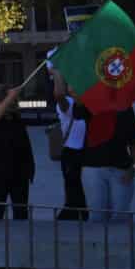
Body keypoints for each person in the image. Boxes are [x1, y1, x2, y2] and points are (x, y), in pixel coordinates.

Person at [76, 103, 135, 224]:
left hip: (121, 170)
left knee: (120, 215)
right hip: (93, 168)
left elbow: (133, 142)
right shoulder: (88, 106)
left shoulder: (124, 108)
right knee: (96, 216)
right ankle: (97, 242)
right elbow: (67, 102)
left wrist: (134, 167)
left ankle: (119, 242)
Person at [0, 84, 33, 219]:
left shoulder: (16, 118)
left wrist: (30, 169)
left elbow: (25, 145)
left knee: (21, 211)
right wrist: (9, 97)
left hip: (19, 172)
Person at [53, 73, 89, 221]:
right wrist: (57, 72)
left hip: (89, 150)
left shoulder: (90, 104)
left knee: (84, 185)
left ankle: (81, 211)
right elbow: (59, 95)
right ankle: (75, 212)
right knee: (73, 184)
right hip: (71, 150)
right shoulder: (67, 103)